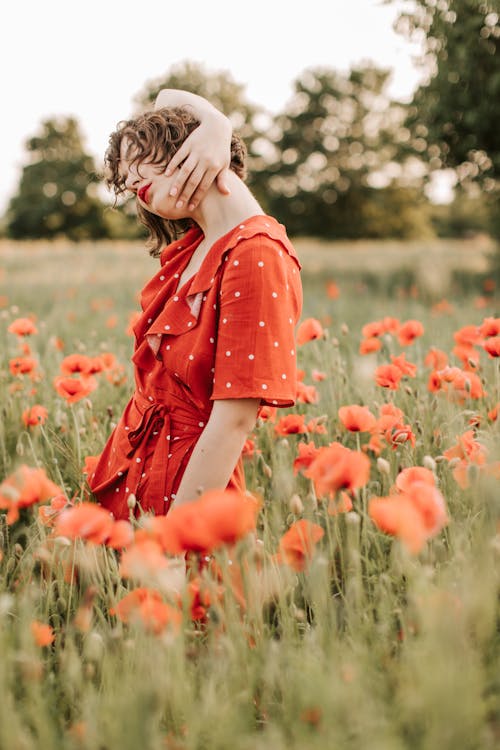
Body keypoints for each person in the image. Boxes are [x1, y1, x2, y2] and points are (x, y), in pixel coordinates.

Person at [87, 90, 303, 521]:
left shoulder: (256, 254)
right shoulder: (200, 246)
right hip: (134, 470)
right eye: (124, 176)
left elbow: (233, 422)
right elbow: (166, 95)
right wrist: (217, 123)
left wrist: (171, 542)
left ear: (193, 147)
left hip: (186, 495)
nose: (130, 183)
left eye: (137, 162)